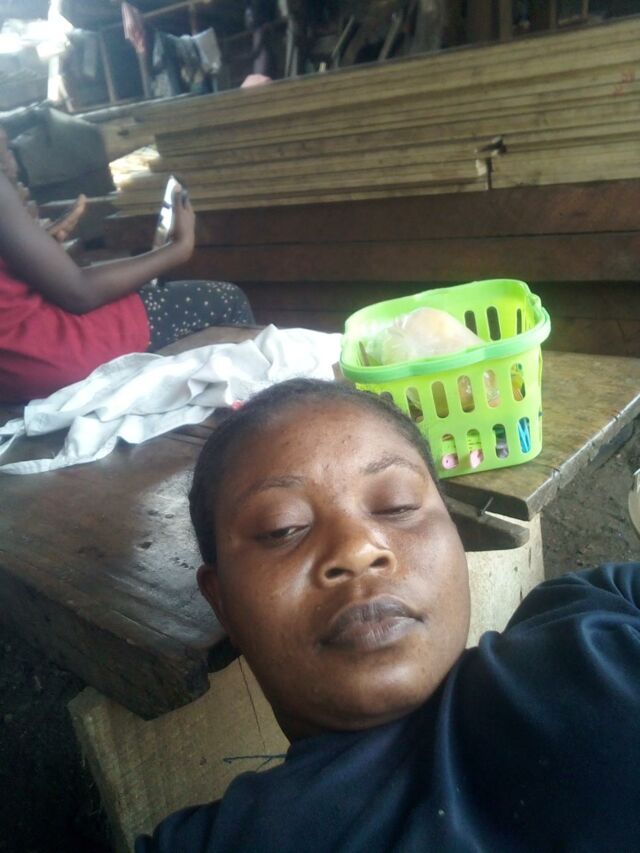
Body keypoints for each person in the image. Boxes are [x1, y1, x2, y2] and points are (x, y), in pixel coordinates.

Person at [137, 379, 640, 852]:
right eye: (281, 528)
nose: (357, 549)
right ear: (221, 601)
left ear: (454, 532)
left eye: (396, 505)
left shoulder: (595, 614)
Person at [0, 133, 254, 403]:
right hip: (49, 353)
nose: (11, 159)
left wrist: (37, 248)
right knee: (226, 299)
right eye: (4, 144)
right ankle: (245, 413)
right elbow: (79, 292)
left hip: (10, 369)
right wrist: (178, 249)